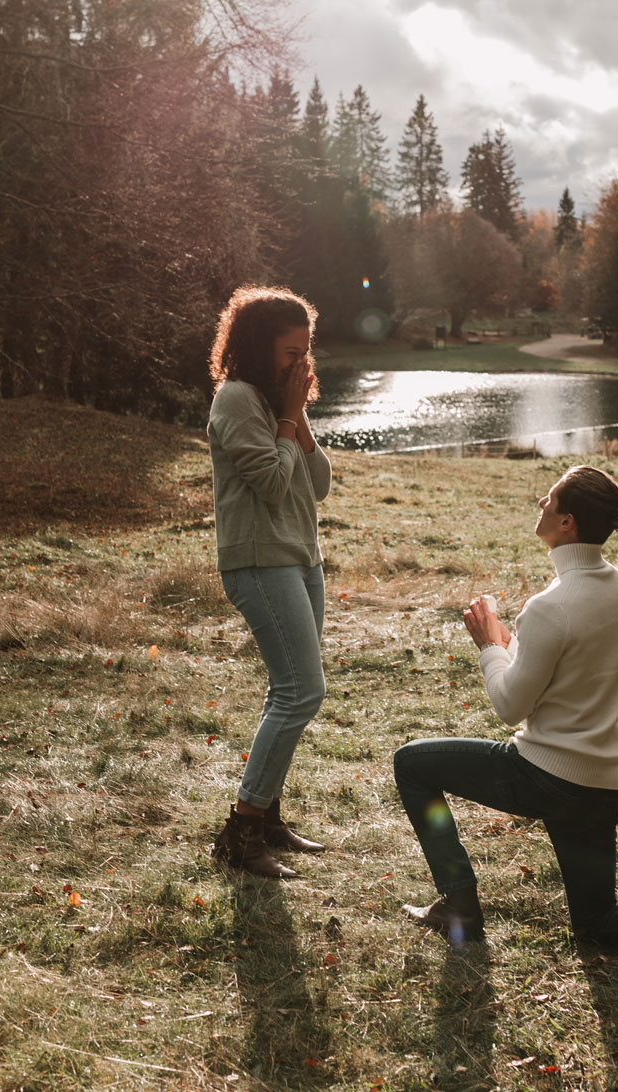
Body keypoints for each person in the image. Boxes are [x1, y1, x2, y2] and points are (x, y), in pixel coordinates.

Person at [394, 465, 618, 983]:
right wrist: (507, 641)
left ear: (566, 523)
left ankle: (459, 905)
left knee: (412, 764)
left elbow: (510, 704)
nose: (540, 501)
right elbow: (565, 673)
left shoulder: (552, 605)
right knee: (596, 923)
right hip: (603, 783)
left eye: (550, 498)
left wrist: (489, 646)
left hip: (544, 777)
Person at [206, 285, 331, 879]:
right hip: (259, 561)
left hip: (301, 558)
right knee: (300, 692)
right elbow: (275, 485)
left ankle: (269, 815)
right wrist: (286, 414)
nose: (300, 365)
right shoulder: (236, 400)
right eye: (290, 354)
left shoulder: (281, 402)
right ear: (259, 349)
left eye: (305, 352)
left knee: (288, 691)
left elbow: (319, 482)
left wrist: (298, 415)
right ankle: (241, 831)